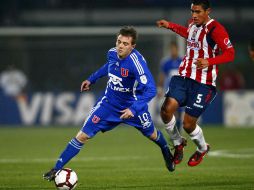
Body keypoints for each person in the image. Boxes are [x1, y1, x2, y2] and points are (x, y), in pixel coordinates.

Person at [43, 26, 175, 181]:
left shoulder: (136, 63)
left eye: (125, 44)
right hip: (108, 105)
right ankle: (56, 169)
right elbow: (108, 67)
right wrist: (91, 79)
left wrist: (133, 109)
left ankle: (166, 152)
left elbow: (151, 90)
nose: (120, 46)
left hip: (131, 106)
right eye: (119, 41)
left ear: (133, 47)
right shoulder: (112, 53)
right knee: (82, 135)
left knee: (152, 134)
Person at [156, 0, 235, 167]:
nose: (194, 15)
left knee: (188, 123)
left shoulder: (216, 29)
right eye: (192, 11)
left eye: (198, 12)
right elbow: (188, 33)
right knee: (165, 110)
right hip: (184, 76)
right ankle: (178, 144)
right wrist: (169, 25)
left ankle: (202, 148)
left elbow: (230, 53)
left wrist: (210, 61)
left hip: (204, 83)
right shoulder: (192, 23)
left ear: (208, 11)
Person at [157, 41, 183, 128]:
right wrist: (160, 89)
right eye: (171, 49)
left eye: (174, 49)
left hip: (181, 90)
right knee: (171, 111)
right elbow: (162, 76)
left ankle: (178, 132)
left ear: (177, 49)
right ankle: (174, 133)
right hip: (170, 90)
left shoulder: (182, 61)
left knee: (179, 111)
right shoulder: (166, 62)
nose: (173, 51)